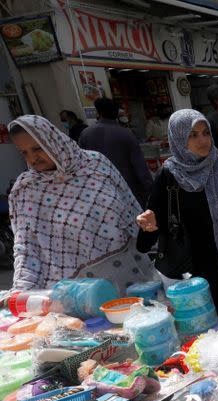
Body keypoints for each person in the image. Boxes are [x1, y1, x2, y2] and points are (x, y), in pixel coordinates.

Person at [135, 109, 218, 326]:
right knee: (216, 337)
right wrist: (149, 225)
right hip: (200, 270)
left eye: (205, 133)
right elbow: (150, 231)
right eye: (193, 135)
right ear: (178, 138)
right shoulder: (169, 175)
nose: (202, 140)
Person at [8, 115, 141, 290]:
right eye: (24, 152)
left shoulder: (95, 164)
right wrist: (20, 290)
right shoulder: (26, 190)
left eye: (37, 148)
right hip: (76, 290)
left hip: (129, 273)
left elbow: (132, 210)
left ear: (52, 139)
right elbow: (25, 246)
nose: (32, 158)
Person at [79, 98, 153, 206]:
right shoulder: (126, 134)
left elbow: (82, 164)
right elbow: (140, 168)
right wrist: (150, 190)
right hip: (128, 190)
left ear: (98, 113)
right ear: (117, 114)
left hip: (99, 190)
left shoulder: (86, 134)